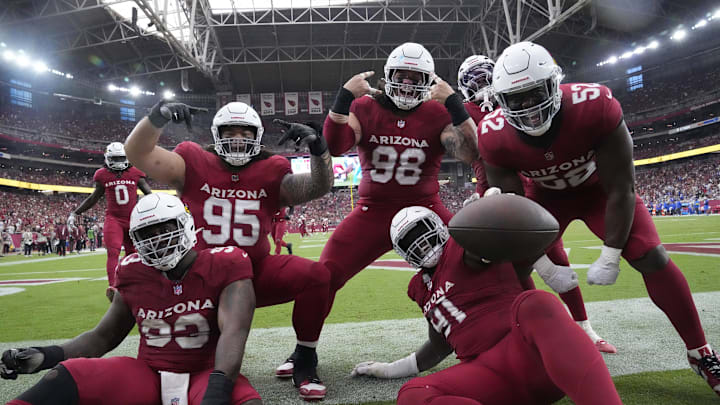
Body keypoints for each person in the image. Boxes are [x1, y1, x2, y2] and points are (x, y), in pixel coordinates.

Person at [477, 41, 720, 396]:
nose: (528, 108)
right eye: (517, 99)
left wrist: (611, 254)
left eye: (535, 94)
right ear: (501, 100)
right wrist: (544, 265)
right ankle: (526, 352)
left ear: (554, 84)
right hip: (542, 199)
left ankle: (701, 353)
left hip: (599, 192)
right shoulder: (494, 134)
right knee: (509, 270)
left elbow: (622, 188)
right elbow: (515, 215)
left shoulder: (594, 106)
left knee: (652, 255)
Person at [124, 100, 334, 400]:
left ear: (256, 136)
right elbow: (137, 153)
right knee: (200, 363)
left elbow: (318, 186)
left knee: (317, 276)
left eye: (245, 133)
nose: (237, 139)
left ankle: (305, 357)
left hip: (255, 273)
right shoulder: (192, 160)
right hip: (203, 282)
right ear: (216, 134)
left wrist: (318, 148)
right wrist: (156, 118)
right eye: (230, 132)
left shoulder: (271, 168)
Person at [0, 193, 261, 405]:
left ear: (186, 225)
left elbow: (234, 332)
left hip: (205, 374)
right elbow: (102, 337)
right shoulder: (132, 270)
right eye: (148, 234)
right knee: (69, 374)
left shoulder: (226, 262)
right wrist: (46, 355)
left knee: (245, 401)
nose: (157, 241)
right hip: (147, 374)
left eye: (165, 229)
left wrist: (216, 393)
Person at [351, 206, 623, 405]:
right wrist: (388, 369)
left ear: (438, 226)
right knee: (412, 394)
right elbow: (438, 345)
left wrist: (491, 210)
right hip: (487, 374)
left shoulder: (464, 245)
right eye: (410, 241)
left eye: (421, 232)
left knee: (535, 303)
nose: (420, 244)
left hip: (531, 356)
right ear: (403, 252)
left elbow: (505, 249)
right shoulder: (419, 288)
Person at [318, 41, 478, 339]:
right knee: (323, 276)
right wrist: (343, 98)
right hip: (372, 211)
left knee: (474, 265)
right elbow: (337, 145)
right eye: (401, 75)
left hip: (426, 208)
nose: (407, 82)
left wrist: (454, 103)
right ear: (389, 75)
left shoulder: (437, 113)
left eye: (415, 77)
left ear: (428, 82)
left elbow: (471, 153)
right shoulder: (365, 106)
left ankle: (481, 335)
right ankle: (303, 351)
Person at [458, 54, 615, 353]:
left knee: (554, 257)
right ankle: (531, 335)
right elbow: (467, 151)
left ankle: (584, 328)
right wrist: (457, 111)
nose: (482, 86)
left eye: (486, 78)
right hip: (490, 193)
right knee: (511, 272)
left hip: (528, 187)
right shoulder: (465, 112)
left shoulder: (517, 99)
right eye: (474, 81)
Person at [68, 142, 152, 301]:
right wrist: (75, 212)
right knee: (113, 252)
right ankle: (113, 286)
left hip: (133, 219)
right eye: (115, 158)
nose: (119, 162)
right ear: (108, 158)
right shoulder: (102, 175)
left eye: (121, 158)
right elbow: (93, 198)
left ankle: (133, 282)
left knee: (133, 253)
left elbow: (150, 194)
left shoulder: (134, 173)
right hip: (114, 219)